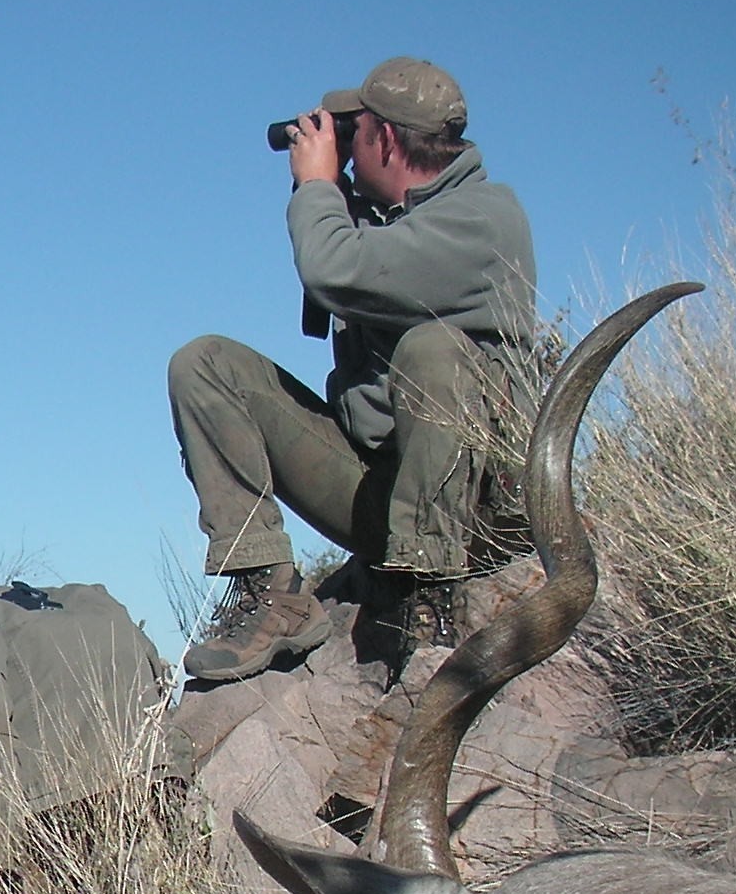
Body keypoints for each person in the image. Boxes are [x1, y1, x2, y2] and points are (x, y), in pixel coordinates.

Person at [168, 56, 538, 681]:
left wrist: (316, 188)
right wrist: (332, 191)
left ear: (387, 139)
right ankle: (269, 591)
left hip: (477, 513)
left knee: (433, 350)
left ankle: (428, 597)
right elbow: (336, 281)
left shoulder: (483, 218)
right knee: (205, 364)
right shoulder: (383, 220)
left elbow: (333, 271)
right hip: (379, 492)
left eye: (354, 131)